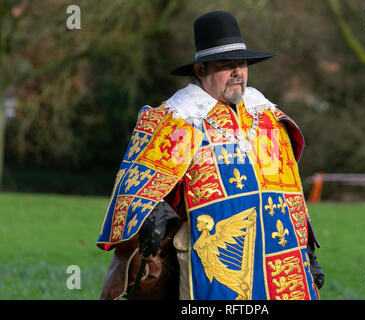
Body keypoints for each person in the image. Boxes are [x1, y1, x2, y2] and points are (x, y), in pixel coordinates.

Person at [97, 10, 323, 300]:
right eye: (225, 66)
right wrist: (155, 212)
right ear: (201, 70)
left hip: (283, 264)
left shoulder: (267, 117)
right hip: (214, 268)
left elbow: (287, 190)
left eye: (241, 64)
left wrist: (307, 247)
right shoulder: (178, 120)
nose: (237, 73)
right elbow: (137, 186)